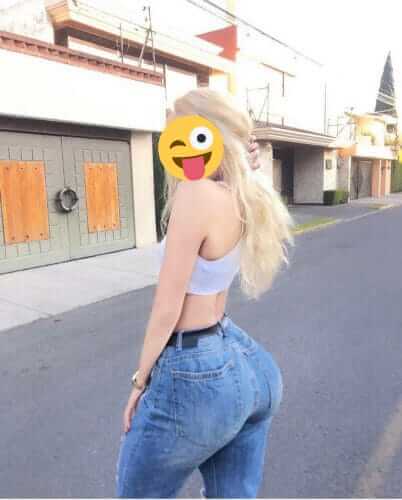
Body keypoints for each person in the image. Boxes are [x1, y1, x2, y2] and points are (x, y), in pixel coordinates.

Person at [115, 88, 295, 498]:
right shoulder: (242, 195)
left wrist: (140, 382)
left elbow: (167, 306)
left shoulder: (195, 194)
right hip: (245, 363)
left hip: (197, 368)